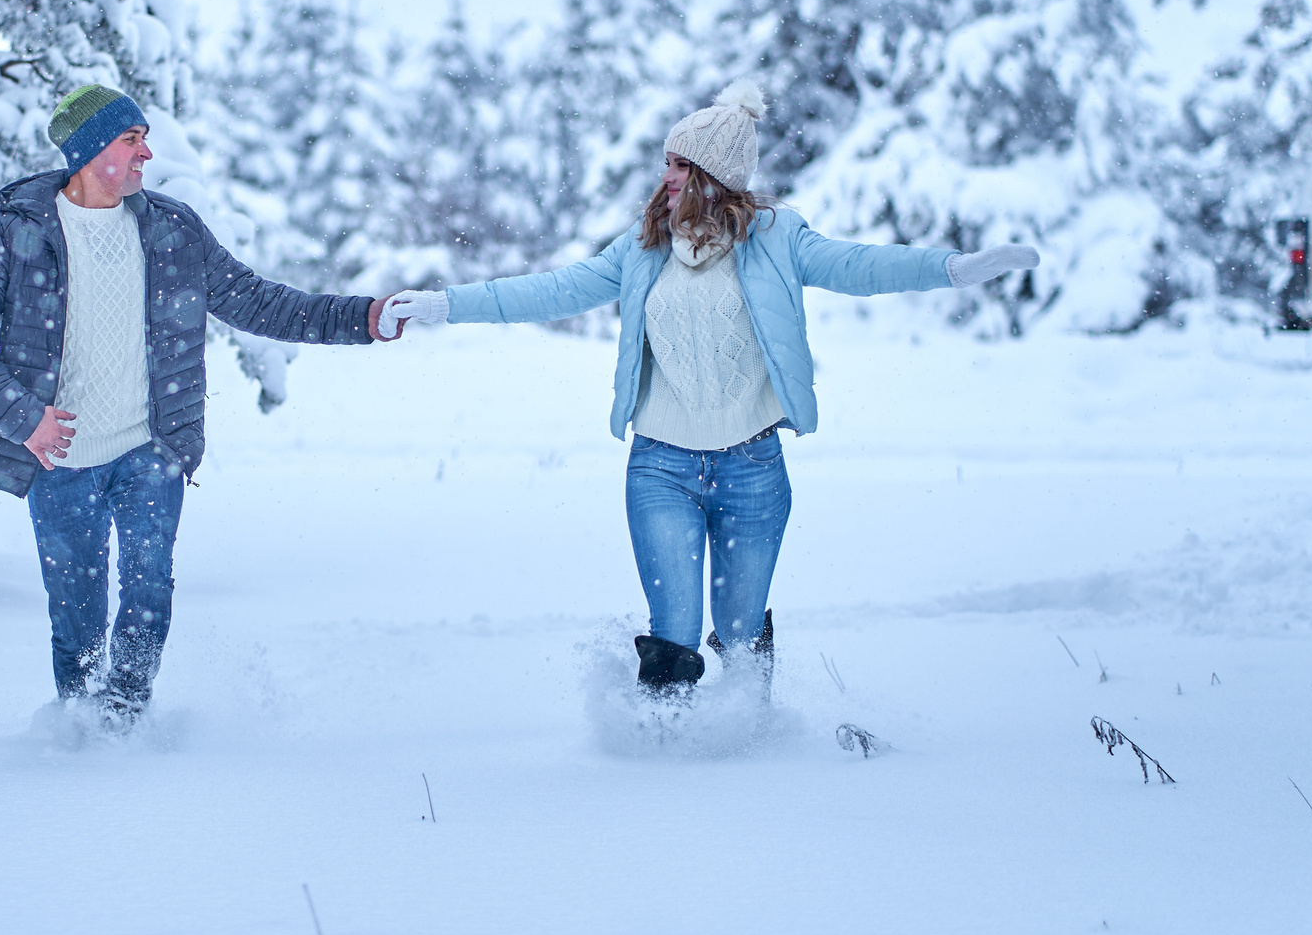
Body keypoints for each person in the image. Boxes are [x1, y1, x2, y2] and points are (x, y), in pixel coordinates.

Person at [378, 80, 1036, 698]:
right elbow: (550, 289)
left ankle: (748, 742)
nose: (666, 175)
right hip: (660, 467)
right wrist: (445, 304)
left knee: (743, 633)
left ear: (714, 177)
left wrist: (952, 269)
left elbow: (861, 264)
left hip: (753, 466)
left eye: (681, 165)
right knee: (675, 637)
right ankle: (660, 757)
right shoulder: (641, 249)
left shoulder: (777, 240)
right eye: (667, 161)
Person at [0, 83, 402, 722]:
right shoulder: (14, 237)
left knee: (149, 591)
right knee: (76, 611)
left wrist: (360, 318)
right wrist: (24, 419)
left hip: (149, 450)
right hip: (57, 460)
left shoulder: (173, 230)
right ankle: (76, 724)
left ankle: (126, 719)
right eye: (132, 139)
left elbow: (258, 301)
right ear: (93, 150)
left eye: (144, 138)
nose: (147, 152)